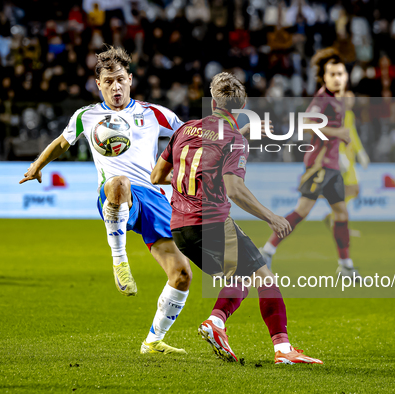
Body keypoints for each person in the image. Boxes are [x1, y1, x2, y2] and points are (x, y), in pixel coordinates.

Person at [19, 45, 192, 355]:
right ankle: (119, 259)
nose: (116, 86)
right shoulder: (87, 116)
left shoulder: (154, 113)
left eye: (121, 79)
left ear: (130, 80)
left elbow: (189, 135)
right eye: (109, 81)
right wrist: (37, 166)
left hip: (153, 197)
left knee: (181, 275)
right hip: (114, 193)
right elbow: (62, 142)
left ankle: (152, 342)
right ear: (98, 84)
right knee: (119, 183)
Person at [151, 72, 323, 365]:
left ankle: (218, 323)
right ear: (242, 105)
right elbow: (235, 189)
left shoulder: (186, 130)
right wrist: (271, 217)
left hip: (180, 227)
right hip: (212, 223)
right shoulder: (233, 139)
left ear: (213, 100)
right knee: (264, 277)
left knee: (241, 276)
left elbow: (157, 176)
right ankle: (281, 349)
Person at [259, 47, 361, 281]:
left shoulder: (336, 100)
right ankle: (266, 251)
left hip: (333, 167)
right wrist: (338, 131)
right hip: (319, 166)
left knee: (341, 212)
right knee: (302, 211)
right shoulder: (322, 99)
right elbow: (305, 123)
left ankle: (345, 265)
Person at [323, 90, 370, 235]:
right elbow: (336, 135)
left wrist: (360, 152)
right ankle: (337, 221)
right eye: (348, 99)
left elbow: (352, 135)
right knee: (352, 188)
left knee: (348, 190)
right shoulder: (340, 114)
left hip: (348, 158)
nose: (351, 101)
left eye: (352, 99)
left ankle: (335, 219)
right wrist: (340, 154)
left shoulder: (348, 114)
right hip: (342, 157)